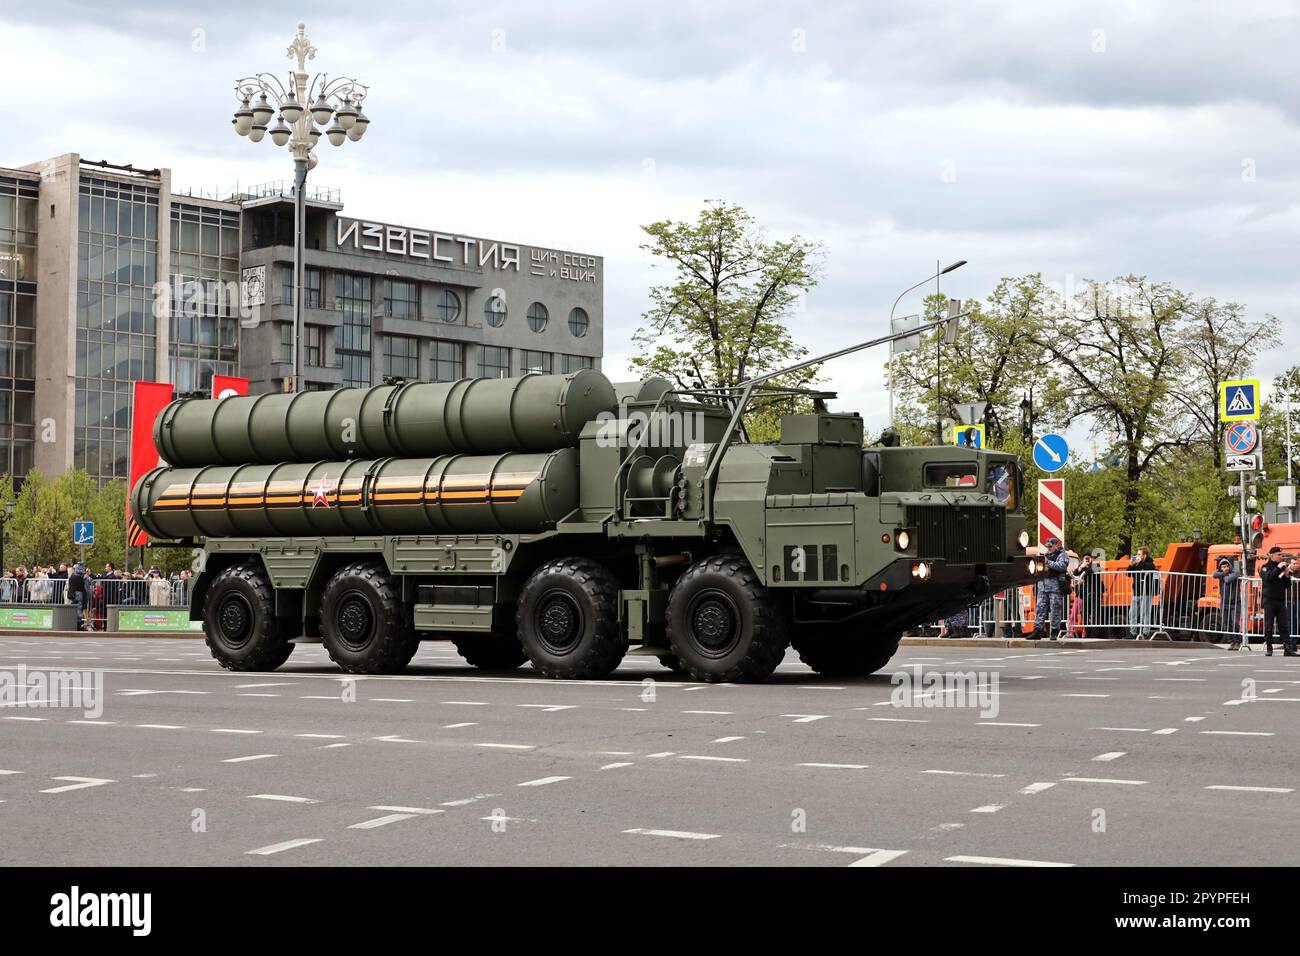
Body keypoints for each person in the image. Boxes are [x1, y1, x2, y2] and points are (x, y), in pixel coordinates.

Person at [1259, 547, 1295, 657]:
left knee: (1284, 625)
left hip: (1280, 600)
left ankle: (1287, 648)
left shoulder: (1282, 567)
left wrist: (1287, 575)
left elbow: (1287, 585)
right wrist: (1279, 568)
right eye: (1279, 554)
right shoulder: (1265, 567)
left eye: (1281, 554)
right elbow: (1269, 578)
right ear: (1271, 555)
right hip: (1269, 600)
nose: (1281, 557)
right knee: (1269, 625)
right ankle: (1269, 647)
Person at [1033, 537, 1071, 640]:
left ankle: (1054, 631)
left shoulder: (1062, 555)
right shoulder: (1045, 555)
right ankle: (1037, 631)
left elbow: (1062, 566)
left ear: (1056, 545)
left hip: (1055, 587)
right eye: (1047, 546)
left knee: (1055, 609)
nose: (1049, 548)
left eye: (1050, 546)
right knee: (1040, 609)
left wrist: (1047, 562)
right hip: (1043, 586)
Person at [1127, 546, 1158, 638]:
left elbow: (1150, 567)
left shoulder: (1150, 563)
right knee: (1132, 613)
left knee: (1145, 613)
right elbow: (1128, 573)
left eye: (1139, 554)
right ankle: (1133, 633)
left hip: (1147, 593)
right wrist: (1132, 564)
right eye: (1137, 554)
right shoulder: (1136, 564)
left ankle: (1146, 632)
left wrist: (1139, 562)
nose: (1137, 556)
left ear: (1144, 555)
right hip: (1136, 592)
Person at [1212, 557, 1243, 648]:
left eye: (1227, 566)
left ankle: (1237, 641)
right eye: (1223, 567)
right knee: (1226, 623)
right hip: (1224, 603)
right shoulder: (1221, 574)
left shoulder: (1235, 572)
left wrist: (1224, 576)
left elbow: (1228, 579)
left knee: (1235, 623)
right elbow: (1214, 574)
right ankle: (1231, 642)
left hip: (1235, 603)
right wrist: (1223, 574)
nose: (1226, 568)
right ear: (1220, 568)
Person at [66, 561, 89, 631]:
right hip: (79, 594)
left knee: (74, 609)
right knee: (79, 609)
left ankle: (74, 624)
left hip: (72, 594)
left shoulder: (72, 576)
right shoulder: (84, 576)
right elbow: (86, 588)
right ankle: (79, 625)